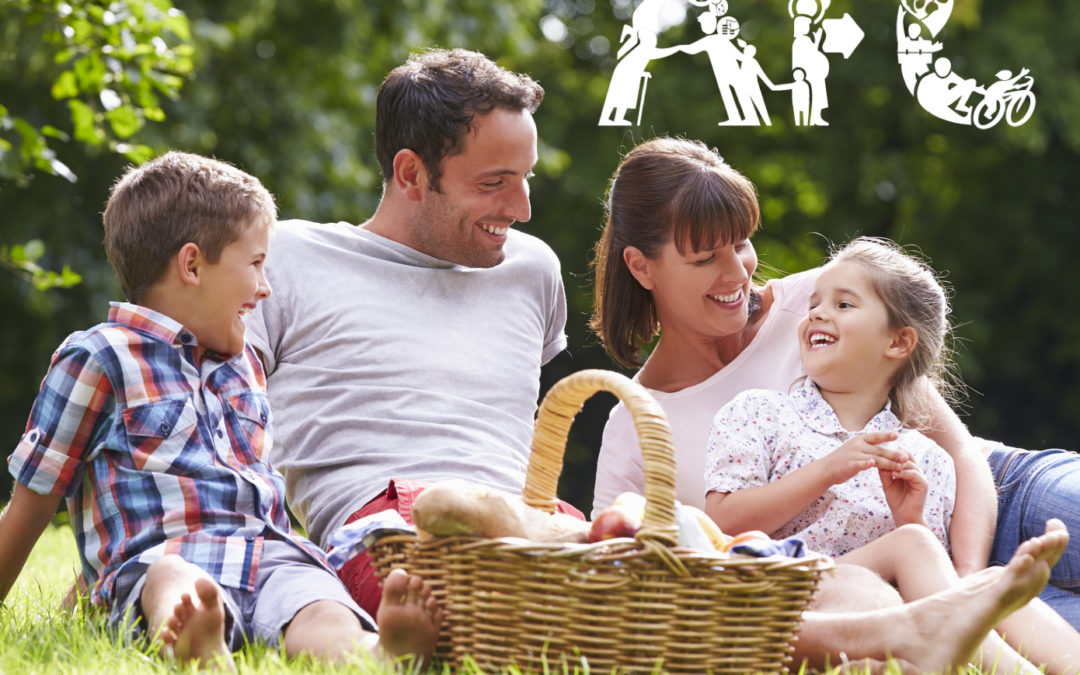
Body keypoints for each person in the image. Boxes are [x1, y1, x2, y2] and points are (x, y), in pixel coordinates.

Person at [589, 136, 1080, 625]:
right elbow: (613, 576)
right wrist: (942, 602)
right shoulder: (635, 423)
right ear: (640, 266)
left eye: (741, 244)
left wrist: (962, 584)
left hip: (996, 495)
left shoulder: (820, 302)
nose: (736, 272)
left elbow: (956, 448)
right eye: (704, 258)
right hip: (885, 593)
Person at [0, 152, 440, 669]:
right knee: (171, 579)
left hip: (270, 555)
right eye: (255, 264)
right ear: (192, 265)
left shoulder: (245, 364)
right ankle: (192, 639)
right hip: (169, 556)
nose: (265, 287)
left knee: (319, 602)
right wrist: (95, 587)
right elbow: (33, 504)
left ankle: (376, 654)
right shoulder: (101, 359)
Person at [244, 49, 579, 620]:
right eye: (495, 182)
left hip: (536, 520)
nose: (521, 208)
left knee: (691, 603)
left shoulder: (533, 270)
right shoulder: (286, 259)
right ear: (410, 174)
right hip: (391, 523)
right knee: (503, 621)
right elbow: (210, 416)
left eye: (526, 178)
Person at [705, 237, 1080, 672]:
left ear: (899, 343)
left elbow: (927, 588)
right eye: (815, 304)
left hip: (890, 613)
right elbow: (722, 524)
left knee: (990, 582)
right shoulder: (758, 413)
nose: (817, 313)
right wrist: (827, 471)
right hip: (794, 600)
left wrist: (911, 518)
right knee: (922, 551)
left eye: (844, 305)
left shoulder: (924, 458)